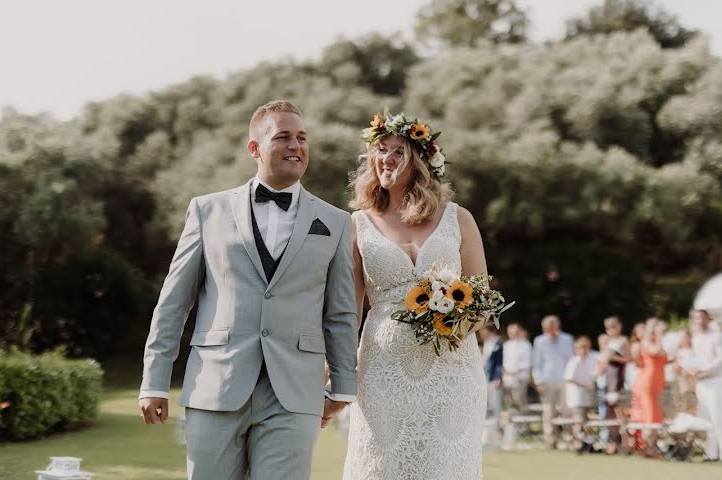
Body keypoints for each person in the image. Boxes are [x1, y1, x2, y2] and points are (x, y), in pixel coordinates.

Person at [138, 101, 359, 480]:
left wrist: (343, 385)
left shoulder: (335, 222)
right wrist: (154, 380)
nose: (296, 146)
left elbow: (340, 312)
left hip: (294, 389)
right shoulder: (207, 211)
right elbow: (174, 302)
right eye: (283, 137)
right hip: (216, 382)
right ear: (254, 148)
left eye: (302, 138)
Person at [343, 112, 488, 479]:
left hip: (451, 375)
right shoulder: (356, 224)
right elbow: (348, 312)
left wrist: (456, 325)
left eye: (397, 151)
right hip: (382, 377)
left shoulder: (459, 218)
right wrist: (334, 373)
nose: (386, 159)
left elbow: (482, 299)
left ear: (421, 162)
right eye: (380, 150)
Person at [689, 309, 722, 463]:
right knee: (706, 418)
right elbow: (695, 359)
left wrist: (704, 370)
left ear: (708, 319)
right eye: (696, 318)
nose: (698, 321)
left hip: (716, 381)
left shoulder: (717, 336)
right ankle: (710, 453)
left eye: (701, 318)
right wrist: (692, 369)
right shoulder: (696, 338)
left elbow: (721, 359)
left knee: (718, 417)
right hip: (702, 382)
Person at [533, 315, 575, 449]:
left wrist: (571, 380)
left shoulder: (567, 339)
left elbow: (571, 360)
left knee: (567, 411)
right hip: (547, 380)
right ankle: (551, 441)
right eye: (546, 328)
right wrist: (538, 381)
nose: (548, 331)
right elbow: (537, 363)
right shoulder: (540, 341)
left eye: (551, 328)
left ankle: (570, 439)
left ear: (557, 327)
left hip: (565, 380)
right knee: (548, 412)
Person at [631, 318, 668, 456]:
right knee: (649, 415)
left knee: (657, 415)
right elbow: (655, 351)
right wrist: (659, 336)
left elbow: (664, 357)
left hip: (659, 381)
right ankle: (647, 447)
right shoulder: (646, 342)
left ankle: (653, 447)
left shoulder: (657, 341)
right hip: (649, 381)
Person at [599, 316, 629, 453]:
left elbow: (628, 359)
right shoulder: (606, 342)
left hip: (618, 381)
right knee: (610, 414)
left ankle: (625, 443)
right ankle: (613, 442)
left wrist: (613, 357)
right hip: (608, 381)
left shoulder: (623, 341)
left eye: (613, 326)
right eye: (608, 327)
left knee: (620, 414)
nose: (611, 329)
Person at [564, 336, 596, 453]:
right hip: (576, 398)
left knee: (584, 421)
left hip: (586, 398)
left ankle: (585, 443)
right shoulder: (574, 362)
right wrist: (585, 385)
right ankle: (578, 444)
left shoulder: (590, 360)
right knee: (579, 421)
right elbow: (569, 379)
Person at [481, 325, 505, 447]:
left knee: (496, 407)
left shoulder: (499, 343)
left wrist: (498, 377)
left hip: (494, 380)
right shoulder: (487, 343)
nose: (481, 333)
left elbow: (499, 363)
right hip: (485, 378)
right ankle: (486, 436)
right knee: (486, 407)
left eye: (482, 330)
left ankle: (497, 435)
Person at [502, 322, 532, 415]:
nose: (513, 334)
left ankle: (522, 425)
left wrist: (513, 372)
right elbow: (503, 361)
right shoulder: (506, 345)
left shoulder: (525, 345)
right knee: (508, 402)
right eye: (511, 332)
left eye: (515, 332)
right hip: (506, 379)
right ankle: (510, 425)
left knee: (519, 401)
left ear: (519, 332)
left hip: (520, 378)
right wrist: (504, 371)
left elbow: (527, 363)